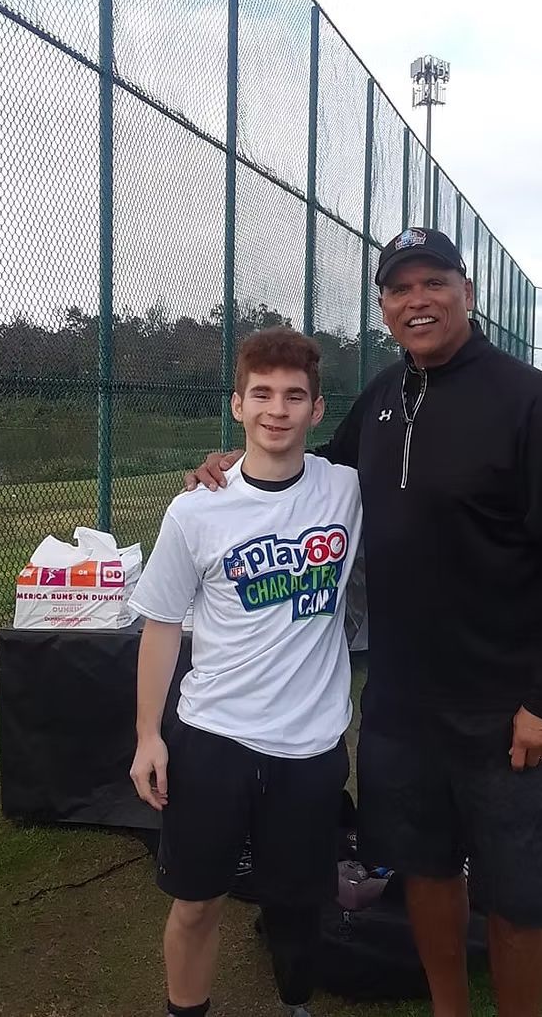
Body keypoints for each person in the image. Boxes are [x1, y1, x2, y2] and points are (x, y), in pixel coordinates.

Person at [187, 229, 542, 1017]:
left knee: (518, 895)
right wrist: (230, 467)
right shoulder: (384, 398)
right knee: (424, 869)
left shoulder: (529, 403)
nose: (417, 300)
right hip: (398, 702)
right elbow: (311, 470)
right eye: (399, 289)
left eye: (433, 283)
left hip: (501, 706)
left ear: (466, 292)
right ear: (383, 306)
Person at [130, 328, 362, 1017]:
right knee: (196, 903)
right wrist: (148, 736)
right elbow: (161, 626)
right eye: (261, 394)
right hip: (214, 740)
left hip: (310, 745)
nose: (277, 410)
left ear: (317, 409)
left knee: (298, 901)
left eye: (294, 396)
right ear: (237, 405)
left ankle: (295, 1003)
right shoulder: (196, 508)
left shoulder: (348, 488)